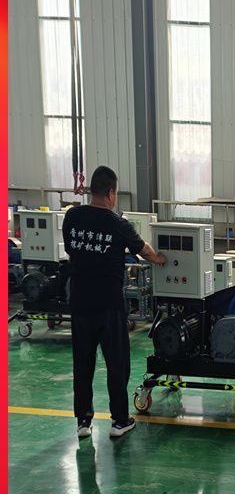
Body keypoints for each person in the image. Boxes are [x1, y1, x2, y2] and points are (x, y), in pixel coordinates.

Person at [63, 165, 166, 439]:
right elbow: (143, 250)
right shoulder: (117, 223)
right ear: (110, 193)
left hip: (80, 304)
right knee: (116, 364)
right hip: (109, 305)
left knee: (82, 364)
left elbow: (71, 249)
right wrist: (160, 259)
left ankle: (83, 422)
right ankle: (120, 421)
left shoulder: (72, 217)